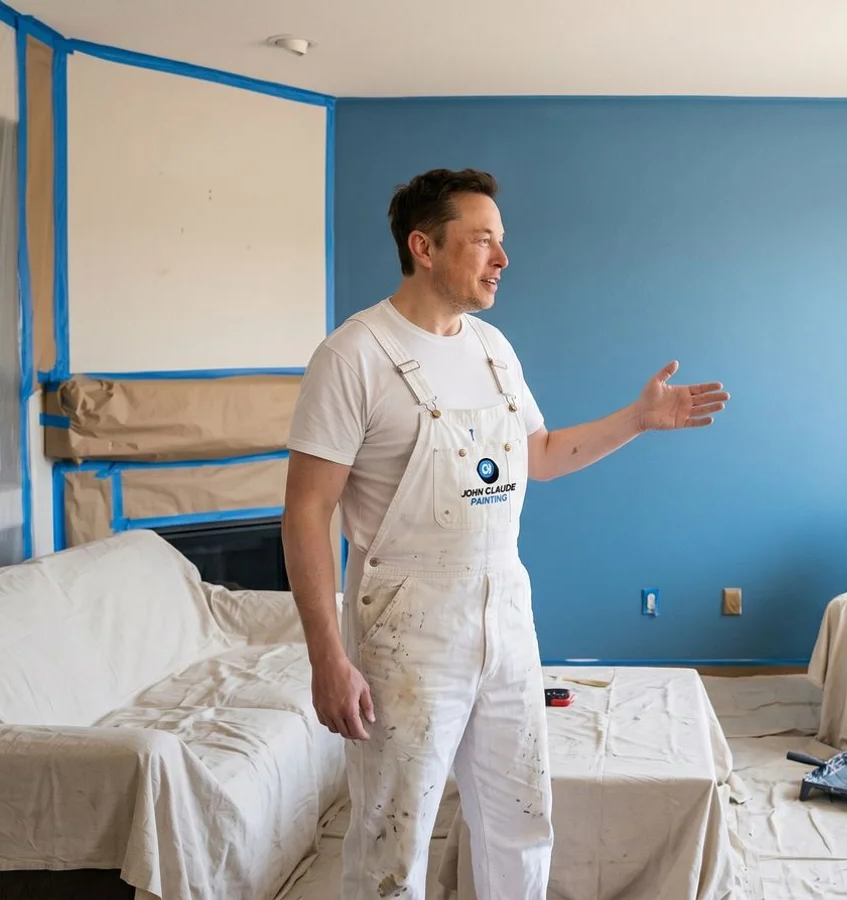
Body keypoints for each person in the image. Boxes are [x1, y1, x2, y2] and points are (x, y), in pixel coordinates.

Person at [280, 168, 729, 900]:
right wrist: (327, 658)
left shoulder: (492, 348)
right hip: (404, 626)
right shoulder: (353, 357)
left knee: (520, 815)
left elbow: (541, 455)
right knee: (394, 833)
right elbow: (305, 513)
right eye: (482, 239)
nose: (503, 257)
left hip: (504, 614)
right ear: (423, 247)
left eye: (502, 240)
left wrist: (638, 419)